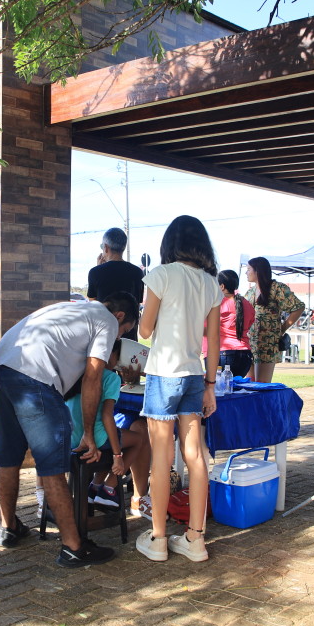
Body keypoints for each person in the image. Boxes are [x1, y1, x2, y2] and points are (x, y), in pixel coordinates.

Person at [0, 291, 139, 567]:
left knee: (9, 459)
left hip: (0, 367)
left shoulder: (76, 309)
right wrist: (89, 434)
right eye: (124, 331)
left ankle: (8, 527)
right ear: (119, 317)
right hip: (35, 376)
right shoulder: (106, 321)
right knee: (52, 466)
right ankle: (73, 547)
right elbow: (93, 377)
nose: (118, 338)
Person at [135, 215, 221, 563]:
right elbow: (213, 340)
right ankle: (195, 539)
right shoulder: (211, 283)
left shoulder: (161, 275)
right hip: (194, 375)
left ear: (170, 243)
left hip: (163, 373)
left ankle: (158, 538)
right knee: (196, 456)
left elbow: (144, 331)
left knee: (161, 457)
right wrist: (211, 386)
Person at [66, 340, 149, 506]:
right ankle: (109, 488)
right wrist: (117, 456)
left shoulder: (75, 373)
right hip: (93, 438)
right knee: (138, 439)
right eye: (118, 357)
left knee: (117, 437)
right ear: (108, 354)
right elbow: (106, 416)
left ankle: (95, 486)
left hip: (70, 439)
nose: (119, 363)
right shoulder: (110, 378)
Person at [244, 256, 304, 383]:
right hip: (250, 343)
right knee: (249, 385)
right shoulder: (250, 292)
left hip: (268, 344)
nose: (246, 272)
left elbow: (298, 307)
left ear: (257, 271)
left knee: (262, 385)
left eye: (248, 269)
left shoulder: (277, 288)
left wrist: (283, 328)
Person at [88, 228, 144, 341]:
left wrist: (98, 268)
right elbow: (137, 304)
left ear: (106, 247)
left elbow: (93, 306)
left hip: (103, 336)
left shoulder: (95, 272)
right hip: (129, 337)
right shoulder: (137, 272)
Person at [215, 269, 255, 379]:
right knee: (235, 387)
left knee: (222, 388)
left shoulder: (219, 303)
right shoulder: (246, 303)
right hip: (245, 355)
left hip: (225, 353)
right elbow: (250, 323)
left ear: (222, 286)